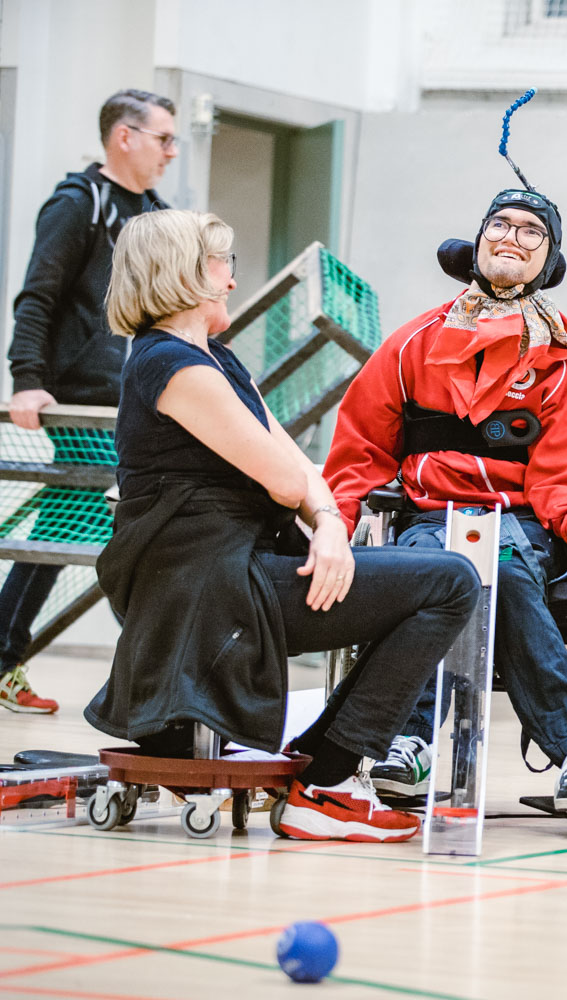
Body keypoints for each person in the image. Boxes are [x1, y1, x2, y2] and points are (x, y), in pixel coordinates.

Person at [83, 210, 481, 843]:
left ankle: (324, 768)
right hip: (210, 592)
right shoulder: (171, 366)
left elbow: (300, 466)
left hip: (235, 574)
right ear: (186, 274)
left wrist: (327, 526)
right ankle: (324, 783)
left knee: (443, 581)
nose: (232, 281)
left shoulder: (213, 359)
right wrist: (315, 510)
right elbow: (287, 480)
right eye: (223, 264)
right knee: (451, 582)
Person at [323, 183, 567, 816]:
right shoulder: (412, 344)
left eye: (530, 231)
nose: (511, 237)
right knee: (441, 579)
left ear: (548, 259)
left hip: (518, 520)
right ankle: (408, 744)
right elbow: (358, 449)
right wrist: (330, 524)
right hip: (430, 516)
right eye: (500, 224)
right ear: (478, 240)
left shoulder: (562, 357)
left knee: (504, 575)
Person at [1, 89, 174, 714]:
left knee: (63, 525)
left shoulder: (155, 212)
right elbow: (38, 296)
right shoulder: (79, 204)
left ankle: (2, 654)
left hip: (130, 397)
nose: (172, 153)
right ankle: (157, 676)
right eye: (164, 139)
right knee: (126, 527)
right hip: (79, 396)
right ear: (124, 137)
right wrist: (27, 378)